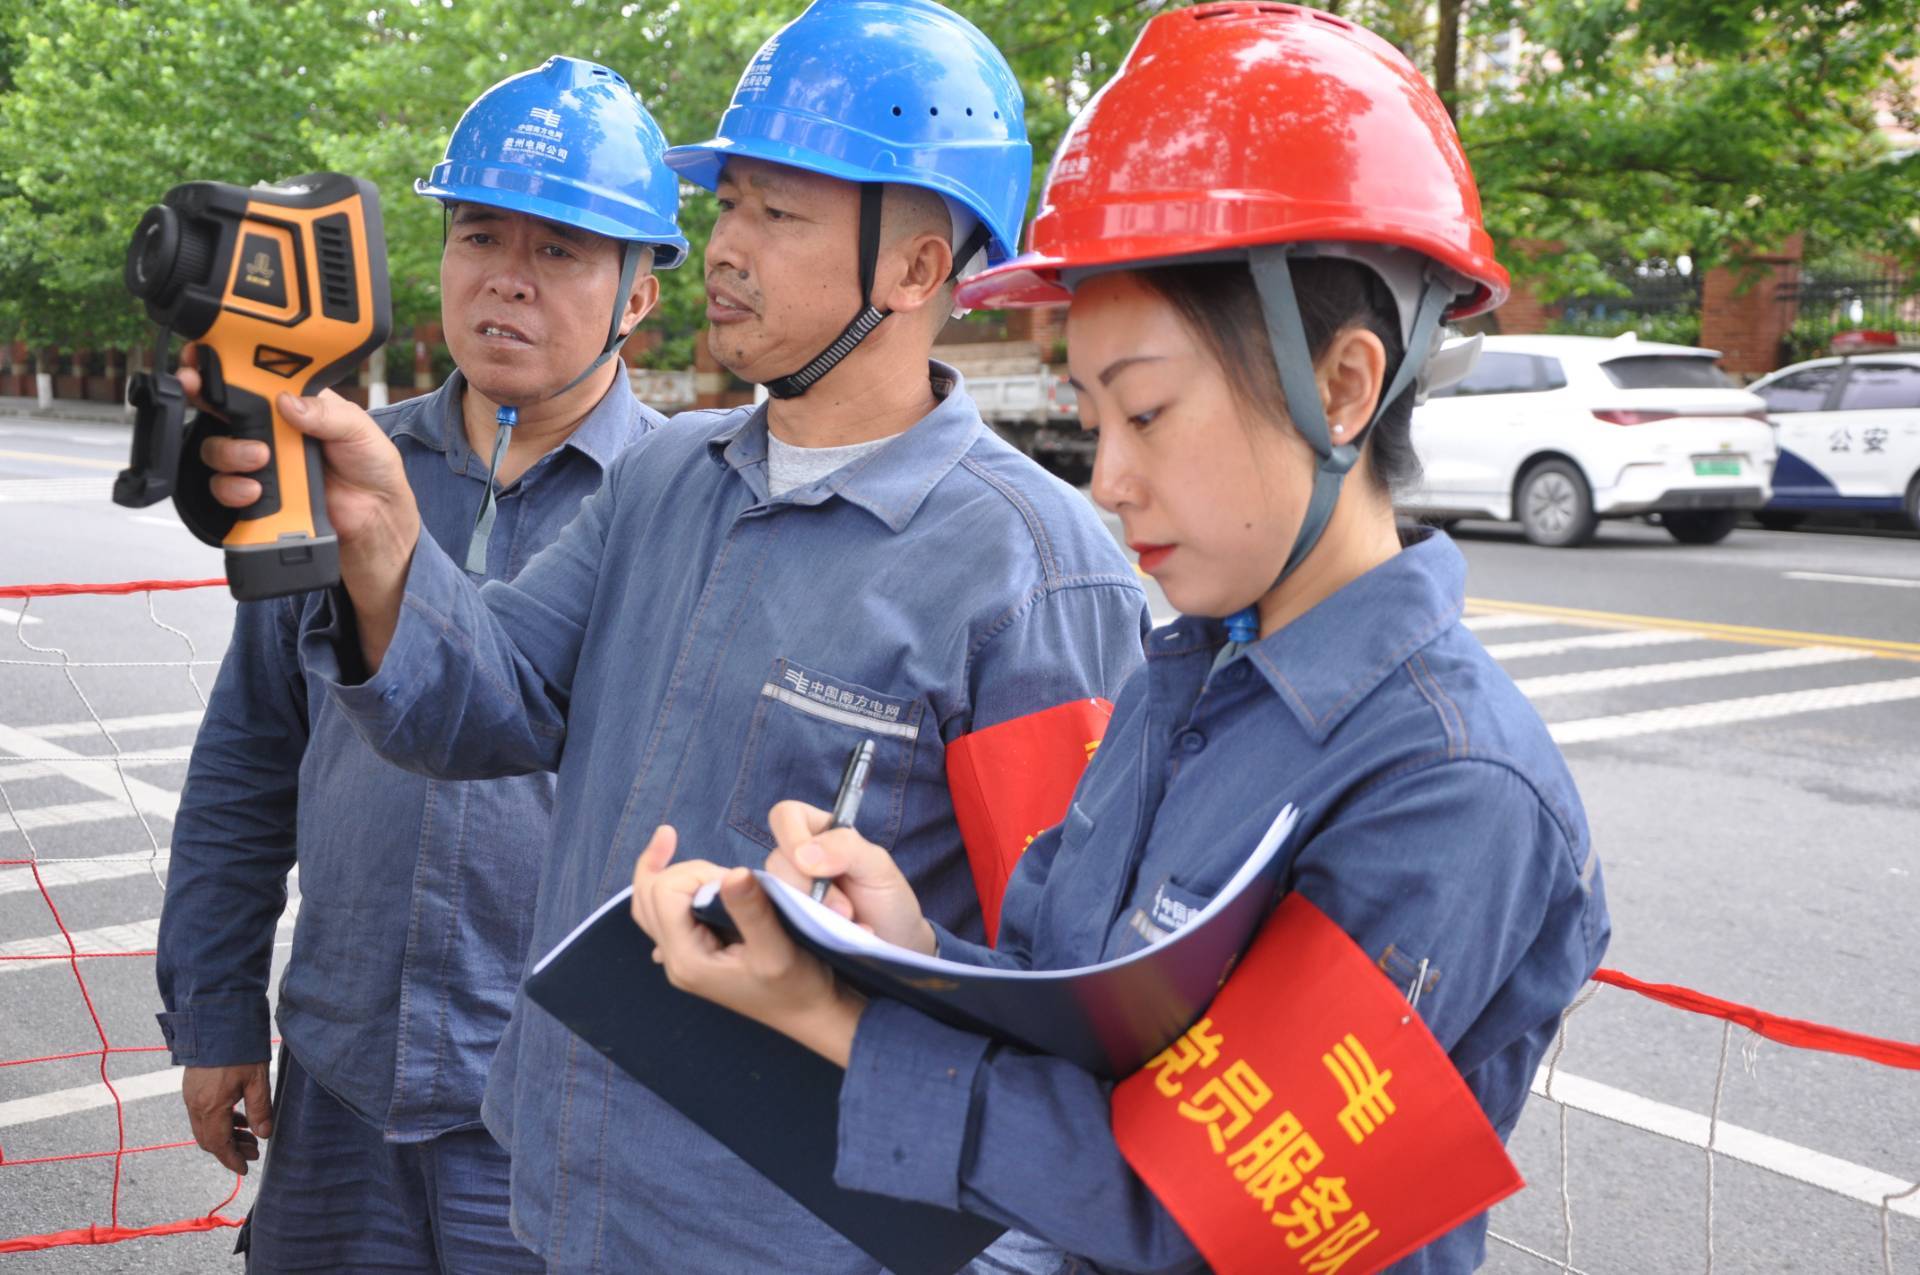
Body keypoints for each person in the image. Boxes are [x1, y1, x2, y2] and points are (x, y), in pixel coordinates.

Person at [629, 5, 1611, 1272]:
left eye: (1148, 412)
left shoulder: (1451, 786)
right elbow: (1077, 1004)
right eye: (1095, 417)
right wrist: (911, 952)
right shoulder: (1193, 671)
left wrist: (836, 1019)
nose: (1108, 481)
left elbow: (1217, 1205)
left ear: (1346, 389)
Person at [191, 0, 1149, 1269]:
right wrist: (377, 541)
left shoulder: (1031, 572)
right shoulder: (669, 483)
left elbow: (1067, 998)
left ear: (916, 271)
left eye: (775, 213)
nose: (724, 249)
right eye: (730, 205)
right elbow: (480, 703)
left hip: (791, 1237)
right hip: (561, 1197)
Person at [154, 55, 686, 1271]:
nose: (507, 277)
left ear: (638, 296)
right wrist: (218, 1010)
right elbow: (248, 753)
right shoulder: (329, 469)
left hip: (563, 1098)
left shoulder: (687, 510)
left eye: (560, 251)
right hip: (341, 1080)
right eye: (477, 234)